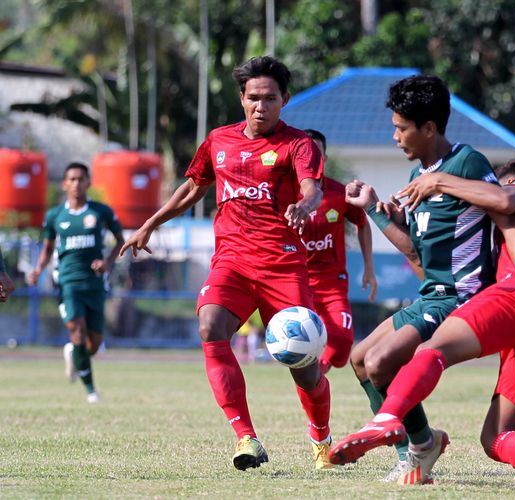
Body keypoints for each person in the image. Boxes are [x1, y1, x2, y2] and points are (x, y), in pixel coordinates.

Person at [120, 55, 335, 471]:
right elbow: (190, 190)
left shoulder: (298, 144)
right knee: (209, 326)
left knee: (304, 370)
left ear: (284, 99)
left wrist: (305, 207)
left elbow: (312, 189)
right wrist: (148, 224)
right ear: (241, 99)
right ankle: (246, 438)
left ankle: (322, 440)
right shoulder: (218, 140)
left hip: (283, 266)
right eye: (253, 98)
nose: (261, 106)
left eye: (270, 98)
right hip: (232, 263)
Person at [329, 157, 515, 493]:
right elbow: (424, 265)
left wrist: (439, 180)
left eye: (495, 182)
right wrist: (387, 216)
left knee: (433, 350)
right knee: (495, 438)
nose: (487, 190)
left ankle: (388, 419)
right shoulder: (504, 234)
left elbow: (506, 198)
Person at [340, 75, 515, 485]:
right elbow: (416, 253)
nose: (394, 135)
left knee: (381, 363)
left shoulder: (467, 163)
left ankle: (417, 451)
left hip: (461, 298)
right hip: (430, 295)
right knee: (360, 360)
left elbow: (506, 219)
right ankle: (419, 447)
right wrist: (375, 212)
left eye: (401, 127)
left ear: (429, 128)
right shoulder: (419, 175)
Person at [29, 162, 125, 404]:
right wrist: (38, 269)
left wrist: (107, 263)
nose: (76, 183)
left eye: (81, 179)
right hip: (67, 283)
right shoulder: (55, 216)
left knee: (93, 345)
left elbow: (120, 241)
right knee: (77, 330)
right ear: (64, 184)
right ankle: (91, 391)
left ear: (88, 182)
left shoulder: (100, 212)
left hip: (94, 285)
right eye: (71, 179)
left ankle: (73, 353)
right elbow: (47, 248)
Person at [301, 129, 377, 374]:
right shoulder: (283, 195)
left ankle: (316, 376)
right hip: (297, 284)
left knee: (342, 347)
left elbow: (362, 224)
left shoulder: (339, 193)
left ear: (325, 159)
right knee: (300, 347)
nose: (312, 160)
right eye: (306, 154)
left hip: (333, 283)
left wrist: (369, 268)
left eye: (317, 154)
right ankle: (314, 385)